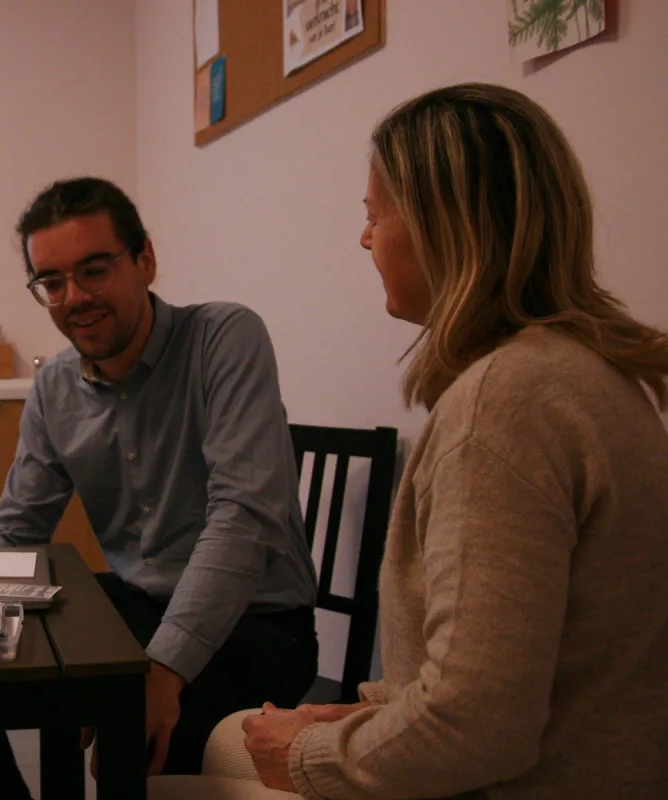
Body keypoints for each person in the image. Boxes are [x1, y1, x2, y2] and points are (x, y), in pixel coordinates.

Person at [158, 83, 668, 799]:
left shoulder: (503, 406)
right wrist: (372, 708)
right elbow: (526, 657)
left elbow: (475, 727)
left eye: (375, 215)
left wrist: (307, 754)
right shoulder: (588, 373)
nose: (365, 238)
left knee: (167, 782)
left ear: (443, 222)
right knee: (225, 736)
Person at [0, 176, 319, 799]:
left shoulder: (225, 338)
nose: (73, 297)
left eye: (94, 270)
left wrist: (163, 669)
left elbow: (243, 518)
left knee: (132, 745)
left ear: (145, 260)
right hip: (136, 606)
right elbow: (16, 528)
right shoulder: (56, 386)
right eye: (51, 282)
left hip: (259, 623)